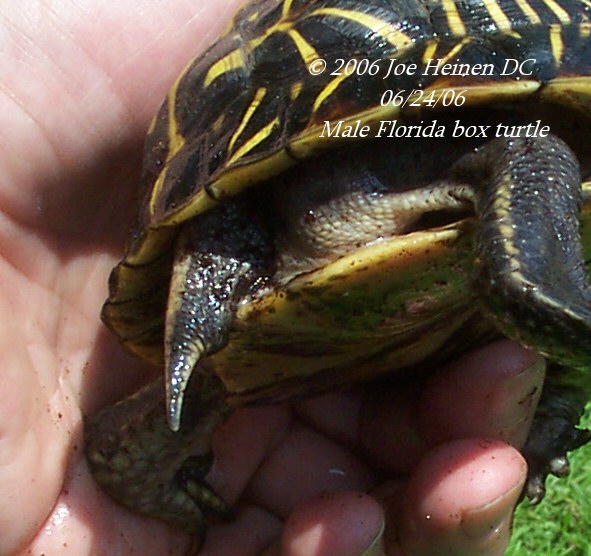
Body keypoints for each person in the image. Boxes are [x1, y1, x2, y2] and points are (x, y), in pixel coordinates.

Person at [0, 1, 545, 554]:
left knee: (519, 383)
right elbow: (234, 185)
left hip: (469, 286)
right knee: (209, 357)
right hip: (288, 243)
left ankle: (548, 406)